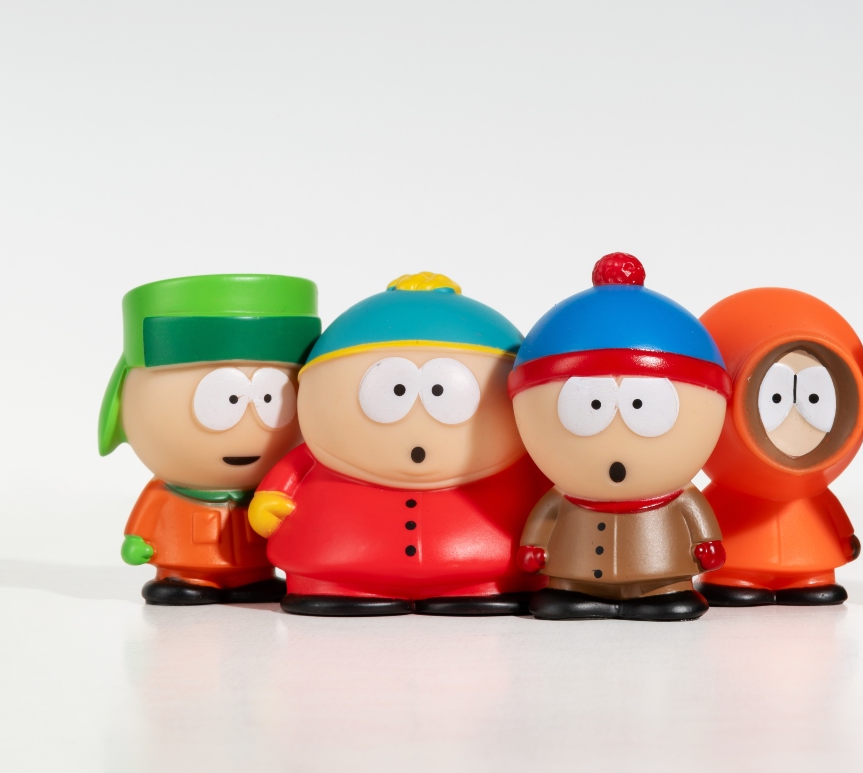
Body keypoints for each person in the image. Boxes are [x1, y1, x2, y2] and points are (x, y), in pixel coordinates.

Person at [248, 272, 552, 616]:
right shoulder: (319, 453)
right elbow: (292, 470)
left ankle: (474, 589)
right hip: (338, 561)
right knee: (331, 579)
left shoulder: (523, 458)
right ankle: (338, 588)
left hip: (490, 570)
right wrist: (270, 499)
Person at [510, 253, 729, 621]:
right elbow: (546, 515)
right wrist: (533, 547)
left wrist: (708, 544)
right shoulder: (564, 495)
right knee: (564, 594)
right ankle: (573, 592)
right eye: (589, 406)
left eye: (643, 406)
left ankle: (662, 592)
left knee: (666, 597)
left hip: (660, 573)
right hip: (573, 573)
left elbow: (696, 513)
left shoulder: (677, 495)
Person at [98, 273, 321, 604]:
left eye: (271, 400)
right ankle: (186, 579)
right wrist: (137, 540)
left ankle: (252, 578)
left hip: (256, 564)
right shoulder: (169, 492)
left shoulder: (272, 488)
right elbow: (147, 515)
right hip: (183, 563)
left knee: (256, 581)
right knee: (185, 585)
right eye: (224, 402)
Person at [698, 288, 863, 606]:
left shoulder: (813, 489)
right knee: (732, 580)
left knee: (812, 581)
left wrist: (844, 538)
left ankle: (808, 580)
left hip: (811, 558)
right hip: (734, 559)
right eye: (775, 397)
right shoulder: (728, 487)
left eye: (813, 398)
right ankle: (734, 579)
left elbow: (828, 508)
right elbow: (701, 518)